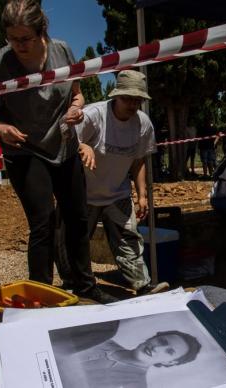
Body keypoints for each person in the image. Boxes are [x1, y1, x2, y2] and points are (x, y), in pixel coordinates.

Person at [0, 0, 114, 304]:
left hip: (63, 144)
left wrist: (77, 109)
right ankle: (41, 294)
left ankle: (86, 287)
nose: (18, 45)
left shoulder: (63, 52)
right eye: (12, 38)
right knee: (43, 220)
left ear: (42, 33)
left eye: (25, 38)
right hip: (24, 150)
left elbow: (77, 94)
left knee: (77, 217)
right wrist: (2, 129)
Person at [76, 70, 170, 296]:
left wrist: (142, 194)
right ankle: (75, 286)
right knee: (75, 240)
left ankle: (142, 285)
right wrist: (82, 145)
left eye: (137, 100)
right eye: (127, 99)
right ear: (116, 96)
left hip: (117, 194)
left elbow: (138, 161)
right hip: (83, 194)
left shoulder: (143, 124)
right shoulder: (93, 116)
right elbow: (67, 137)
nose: (132, 105)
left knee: (129, 239)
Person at [53, 320, 201, 388]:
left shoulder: (134, 385)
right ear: (154, 337)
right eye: (161, 341)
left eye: (169, 351)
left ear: (170, 362)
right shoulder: (103, 337)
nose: (157, 348)